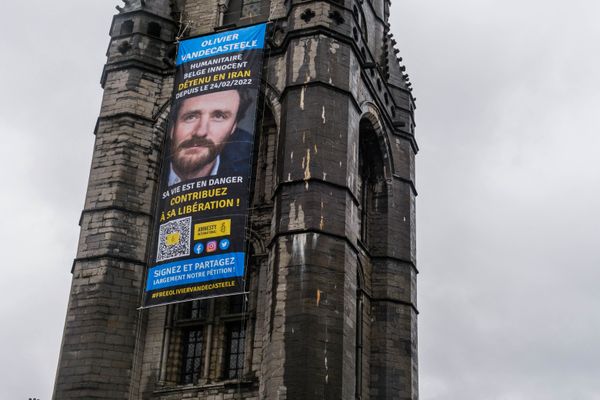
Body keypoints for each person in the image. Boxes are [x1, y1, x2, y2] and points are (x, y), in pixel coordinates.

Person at [167, 89, 253, 185]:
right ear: (173, 126)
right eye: (191, 117)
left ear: (233, 127)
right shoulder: (155, 163)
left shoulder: (246, 178)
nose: (200, 132)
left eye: (218, 116)